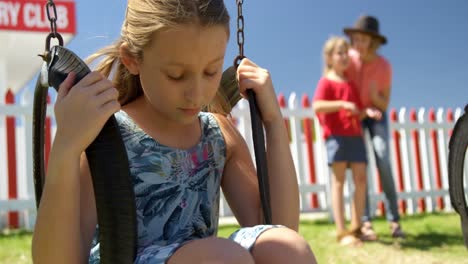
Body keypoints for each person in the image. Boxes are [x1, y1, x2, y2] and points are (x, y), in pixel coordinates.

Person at [31, 1, 317, 263]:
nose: (197, 94)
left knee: (284, 247)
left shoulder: (217, 135)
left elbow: (276, 226)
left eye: (211, 71)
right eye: (176, 75)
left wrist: (274, 124)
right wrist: (67, 147)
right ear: (132, 59)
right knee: (224, 257)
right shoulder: (106, 138)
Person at [313, 36, 382, 246]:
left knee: (361, 180)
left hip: (355, 136)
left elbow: (357, 112)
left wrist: (367, 111)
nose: (344, 56)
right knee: (339, 182)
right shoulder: (326, 82)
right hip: (336, 137)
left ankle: (356, 227)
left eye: (346, 52)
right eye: (339, 53)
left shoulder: (351, 84)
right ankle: (342, 232)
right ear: (329, 58)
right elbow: (317, 106)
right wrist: (342, 104)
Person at [344, 15, 406, 240]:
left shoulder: (384, 66)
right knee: (361, 168)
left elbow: (384, 104)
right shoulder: (349, 59)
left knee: (383, 159)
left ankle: (394, 220)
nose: (358, 44)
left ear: (373, 42)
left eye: (363, 40)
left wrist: (372, 96)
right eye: (355, 39)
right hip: (356, 117)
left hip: (376, 117)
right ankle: (366, 221)